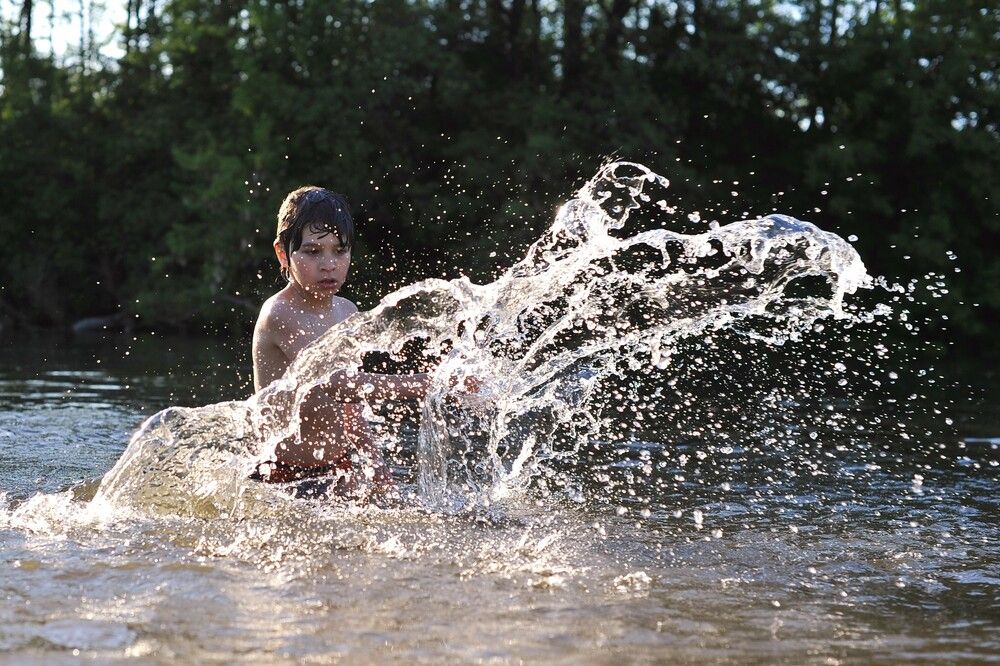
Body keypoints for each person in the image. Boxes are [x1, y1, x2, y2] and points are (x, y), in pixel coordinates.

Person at [251, 186, 436, 501]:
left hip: (339, 468)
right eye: (312, 251)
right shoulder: (280, 313)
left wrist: (379, 471)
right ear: (283, 253)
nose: (329, 264)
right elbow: (335, 383)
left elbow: (348, 404)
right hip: (283, 475)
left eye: (340, 250)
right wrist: (426, 383)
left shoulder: (347, 311)